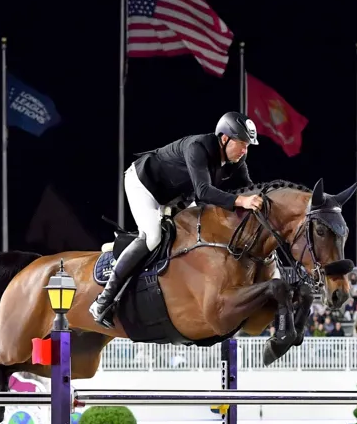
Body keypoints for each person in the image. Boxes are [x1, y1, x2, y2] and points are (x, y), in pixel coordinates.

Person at [89, 111, 265, 328]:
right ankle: (103, 301)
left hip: (176, 197)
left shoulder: (237, 159)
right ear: (224, 138)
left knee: (196, 233)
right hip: (144, 185)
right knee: (152, 237)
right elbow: (203, 192)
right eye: (242, 143)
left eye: (248, 145)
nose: (245, 150)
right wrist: (241, 201)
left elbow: (247, 189)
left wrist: (258, 203)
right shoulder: (198, 147)